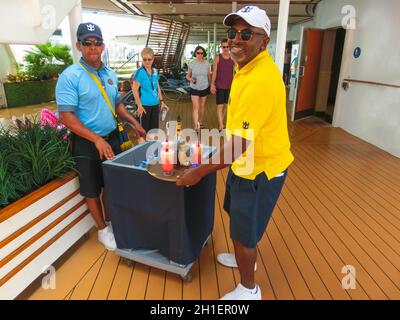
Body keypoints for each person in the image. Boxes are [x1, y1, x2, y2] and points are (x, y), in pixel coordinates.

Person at [176, 6, 294, 300]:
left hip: (260, 169)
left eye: (246, 34)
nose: (236, 40)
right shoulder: (247, 67)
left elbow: (240, 145)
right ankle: (240, 254)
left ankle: (249, 288)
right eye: (233, 33)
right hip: (244, 165)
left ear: (263, 40)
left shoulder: (260, 80)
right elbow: (237, 138)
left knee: (246, 232)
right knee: (238, 220)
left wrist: (199, 171)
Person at [56, 22, 146, 251]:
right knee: (91, 188)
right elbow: (66, 117)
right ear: (79, 45)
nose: (92, 47)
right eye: (87, 42)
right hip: (87, 143)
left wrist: (134, 122)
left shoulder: (109, 73)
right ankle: (102, 230)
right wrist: (96, 139)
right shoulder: (70, 76)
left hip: (112, 138)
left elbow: (117, 105)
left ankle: (111, 222)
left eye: (97, 42)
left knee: (110, 184)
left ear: (103, 45)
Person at [130, 47, 169, 132]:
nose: (147, 62)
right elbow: (134, 89)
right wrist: (139, 106)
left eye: (149, 59)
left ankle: (153, 145)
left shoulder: (155, 71)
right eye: (144, 59)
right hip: (144, 106)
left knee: (154, 131)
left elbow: (157, 86)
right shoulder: (140, 72)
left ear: (153, 59)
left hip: (155, 105)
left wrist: (161, 101)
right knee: (144, 132)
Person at [210, 39, 235, 131]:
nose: (225, 48)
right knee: (220, 106)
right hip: (219, 85)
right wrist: (212, 84)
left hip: (230, 85)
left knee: (226, 106)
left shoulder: (233, 57)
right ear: (221, 47)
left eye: (227, 47)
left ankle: (221, 121)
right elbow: (214, 72)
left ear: (229, 47)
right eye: (224, 47)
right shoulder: (218, 57)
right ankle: (221, 125)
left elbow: (238, 71)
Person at [186, 45, 211, 130]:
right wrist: (191, 79)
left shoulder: (207, 64)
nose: (200, 54)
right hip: (194, 87)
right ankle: (196, 126)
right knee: (196, 107)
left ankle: (200, 122)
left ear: (203, 54)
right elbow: (187, 76)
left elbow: (208, 76)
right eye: (198, 53)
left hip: (204, 87)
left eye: (201, 53)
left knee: (202, 106)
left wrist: (211, 85)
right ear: (195, 54)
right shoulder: (192, 64)